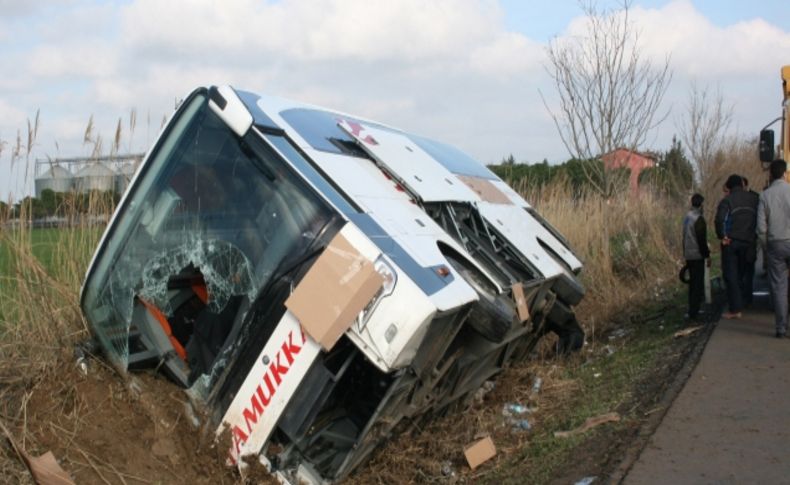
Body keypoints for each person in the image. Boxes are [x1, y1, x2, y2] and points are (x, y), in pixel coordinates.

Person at [714, 174, 758, 319]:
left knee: (731, 275)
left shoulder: (727, 201)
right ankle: (748, 301)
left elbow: (720, 219)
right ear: (742, 184)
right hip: (750, 242)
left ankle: (735, 309)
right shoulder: (754, 199)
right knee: (747, 273)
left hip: (732, 243)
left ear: (729, 186)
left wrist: (722, 236)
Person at [756, 159, 790, 338]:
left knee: (779, 286)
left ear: (771, 174)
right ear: (785, 173)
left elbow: (761, 228)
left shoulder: (765, 196)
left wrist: (766, 246)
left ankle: (781, 327)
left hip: (775, 244)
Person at [682, 193, 711, 321]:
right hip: (697, 255)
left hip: (688, 254)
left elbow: (684, 237)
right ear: (701, 204)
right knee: (697, 284)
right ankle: (694, 311)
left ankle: (692, 309)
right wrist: (707, 255)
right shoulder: (699, 219)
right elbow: (701, 240)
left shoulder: (687, 217)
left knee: (692, 284)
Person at [740, 177, 761, 307]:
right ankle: (745, 296)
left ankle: (747, 296)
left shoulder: (755, 198)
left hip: (750, 239)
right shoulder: (754, 198)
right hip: (746, 239)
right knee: (744, 269)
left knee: (748, 269)